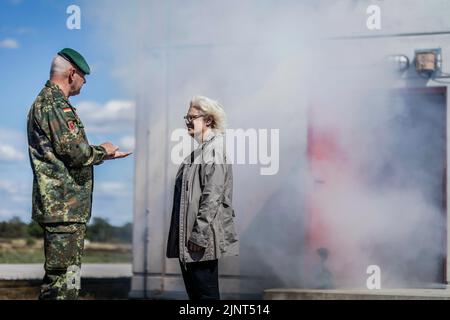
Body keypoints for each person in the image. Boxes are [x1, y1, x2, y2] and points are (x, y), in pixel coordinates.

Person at [27, 48, 131, 300]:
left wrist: (99, 155)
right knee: (60, 286)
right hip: (63, 210)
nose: (84, 82)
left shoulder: (51, 103)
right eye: (84, 76)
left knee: (69, 283)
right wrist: (103, 150)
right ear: (72, 73)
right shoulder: (54, 104)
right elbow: (77, 153)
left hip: (66, 211)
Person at [166, 95, 239, 300]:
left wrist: (199, 235)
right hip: (189, 242)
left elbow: (212, 197)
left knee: (205, 297)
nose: (188, 121)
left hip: (200, 241)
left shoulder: (214, 150)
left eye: (193, 117)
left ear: (208, 120)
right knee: (197, 297)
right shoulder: (198, 153)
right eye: (186, 117)